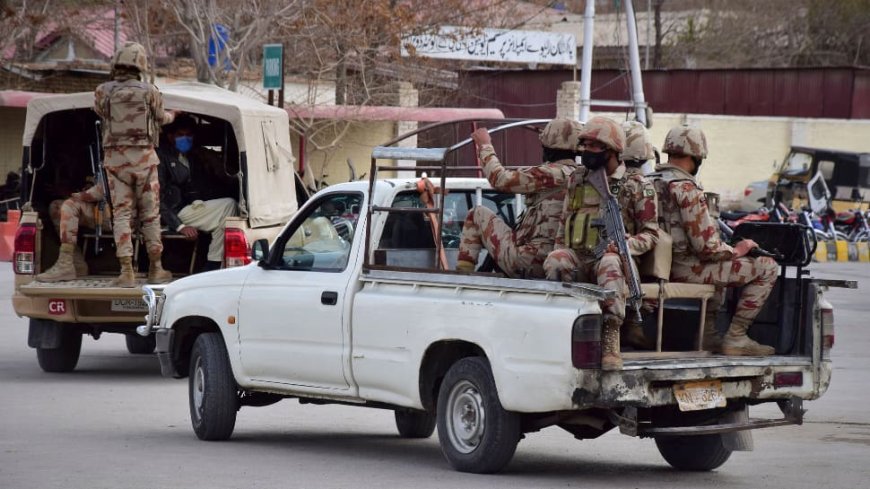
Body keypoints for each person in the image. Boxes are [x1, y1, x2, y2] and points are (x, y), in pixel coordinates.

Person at [651, 125, 778, 356]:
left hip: (655, 268)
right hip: (683, 268)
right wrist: (739, 249)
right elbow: (708, 249)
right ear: (696, 156)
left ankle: (707, 336)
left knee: (719, 270)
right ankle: (736, 337)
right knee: (767, 267)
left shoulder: (647, 182)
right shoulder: (685, 188)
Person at [544, 116, 658, 370]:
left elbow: (651, 234)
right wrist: (559, 249)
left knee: (608, 262)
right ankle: (565, 331)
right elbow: (565, 224)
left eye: (594, 146)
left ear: (612, 150)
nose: (586, 152)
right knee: (556, 259)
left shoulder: (636, 185)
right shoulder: (577, 179)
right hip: (580, 257)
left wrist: (627, 244)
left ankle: (610, 338)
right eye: (584, 145)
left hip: (615, 261)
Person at [455, 118, 583, 279]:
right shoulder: (580, 176)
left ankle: (462, 277)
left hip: (529, 261)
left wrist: (485, 145)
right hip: (561, 261)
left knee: (477, 214)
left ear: (548, 148)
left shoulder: (551, 174)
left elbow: (500, 179)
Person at [94, 41, 175, 287]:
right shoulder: (150, 91)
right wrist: (175, 115)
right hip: (145, 163)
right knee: (150, 216)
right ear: (140, 64)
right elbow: (161, 118)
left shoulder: (103, 91)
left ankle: (126, 271)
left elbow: (100, 113)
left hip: (116, 163)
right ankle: (156, 268)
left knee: (121, 216)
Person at [158, 115, 238, 271]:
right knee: (228, 206)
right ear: (170, 136)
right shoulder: (161, 157)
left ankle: (213, 264)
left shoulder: (191, 158)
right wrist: (179, 226)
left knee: (228, 214)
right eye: (181, 135)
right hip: (172, 213)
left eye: (189, 135)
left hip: (188, 207)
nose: (185, 139)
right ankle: (213, 265)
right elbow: (155, 198)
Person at [618, 120, 660, 350]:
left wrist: (626, 244)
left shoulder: (641, 186)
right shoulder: (598, 179)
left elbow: (650, 234)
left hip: (625, 258)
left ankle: (631, 326)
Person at [34, 185, 109, 282]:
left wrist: (78, 195)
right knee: (58, 207)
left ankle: (66, 265)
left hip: (119, 213)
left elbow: (101, 191)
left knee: (69, 206)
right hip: (104, 209)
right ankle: (75, 264)